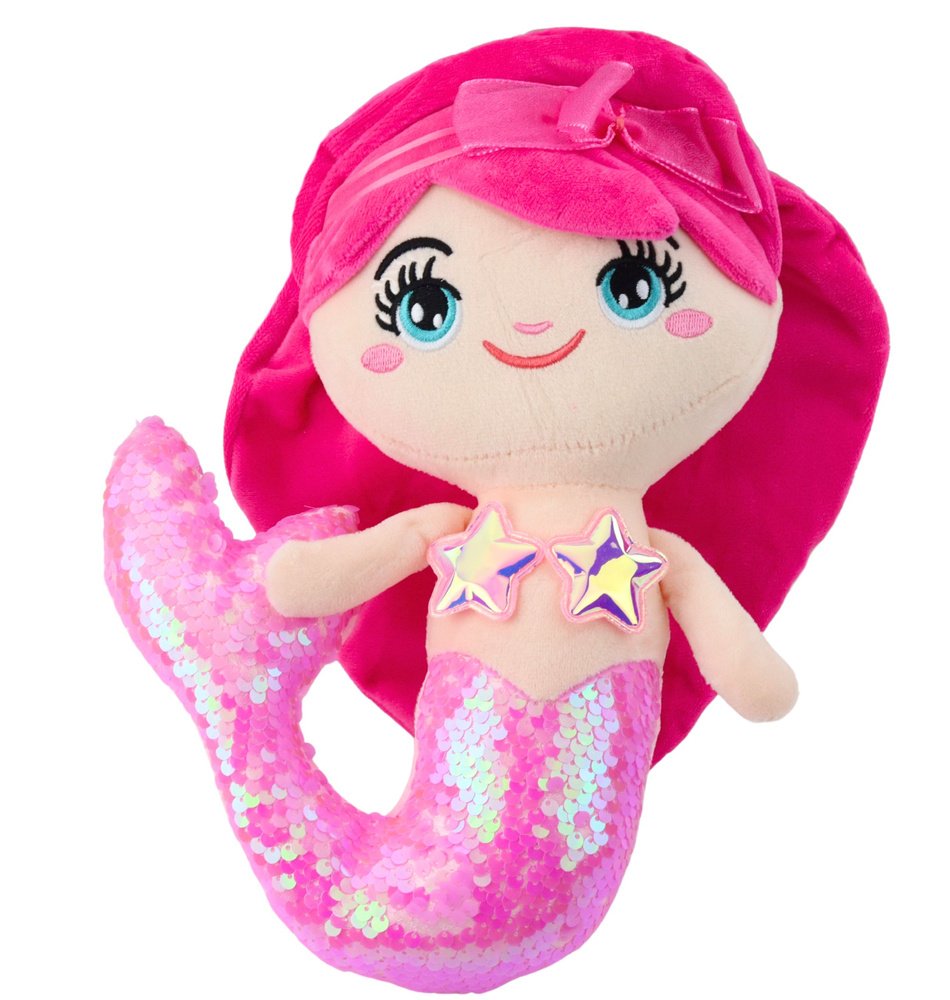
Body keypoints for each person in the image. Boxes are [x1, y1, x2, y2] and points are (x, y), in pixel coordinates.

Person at [105, 27, 887, 992]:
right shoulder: (473, 537)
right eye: (426, 306)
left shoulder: (643, 556)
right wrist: (290, 584)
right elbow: (762, 689)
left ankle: (227, 672)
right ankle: (231, 687)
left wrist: (289, 582)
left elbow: (755, 681)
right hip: (464, 883)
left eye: (633, 285)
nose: (531, 330)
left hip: (555, 890)